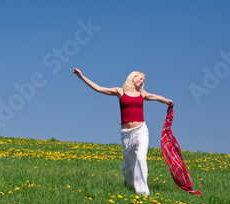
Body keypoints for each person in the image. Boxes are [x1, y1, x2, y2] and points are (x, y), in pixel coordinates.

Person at [72, 68, 173, 196]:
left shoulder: (142, 93)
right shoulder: (120, 92)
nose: (142, 81)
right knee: (128, 164)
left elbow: (156, 97)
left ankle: (142, 192)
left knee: (141, 158)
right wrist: (82, 77)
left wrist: (168, 102)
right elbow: (98, 88)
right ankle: (130, 184)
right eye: (140, 78)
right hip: (126, 133)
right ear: (133, 77)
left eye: (144, 80)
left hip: (141, 130)